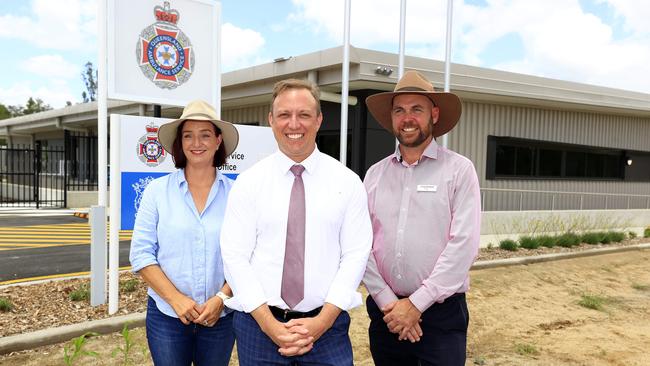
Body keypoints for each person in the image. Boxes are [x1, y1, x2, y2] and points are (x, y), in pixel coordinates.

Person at [220, 78, 372, 365]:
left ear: (318, 119)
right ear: (271, 120)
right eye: (284, 115)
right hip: (259, 327)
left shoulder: (348, 183)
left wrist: (322, 322)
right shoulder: (249, 183)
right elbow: (234, 256)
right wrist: (269, 325)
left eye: (303, 114)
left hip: (327, 328)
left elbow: (355, 255)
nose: (294, 124)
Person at [362, 70, 481, 365]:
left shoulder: (460, 171)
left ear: (434, 114)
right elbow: (360, 243)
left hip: (441, 315)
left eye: (417, 109)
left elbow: (463, 246)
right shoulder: (375, 175)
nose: (407, 118)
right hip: (386, 314)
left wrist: (416, 304)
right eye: (399, 110)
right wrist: (390, 304)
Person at [129, 100, 240, 366]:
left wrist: (222, 298)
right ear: (180, 143)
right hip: (167, 316)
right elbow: (141, 255)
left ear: (218, 140)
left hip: (220, 317)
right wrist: (176, 299)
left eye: (205, 135)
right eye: (188, 135)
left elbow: (248, 255)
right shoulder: (156, 192)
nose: (196, 143)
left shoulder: (238, 194)